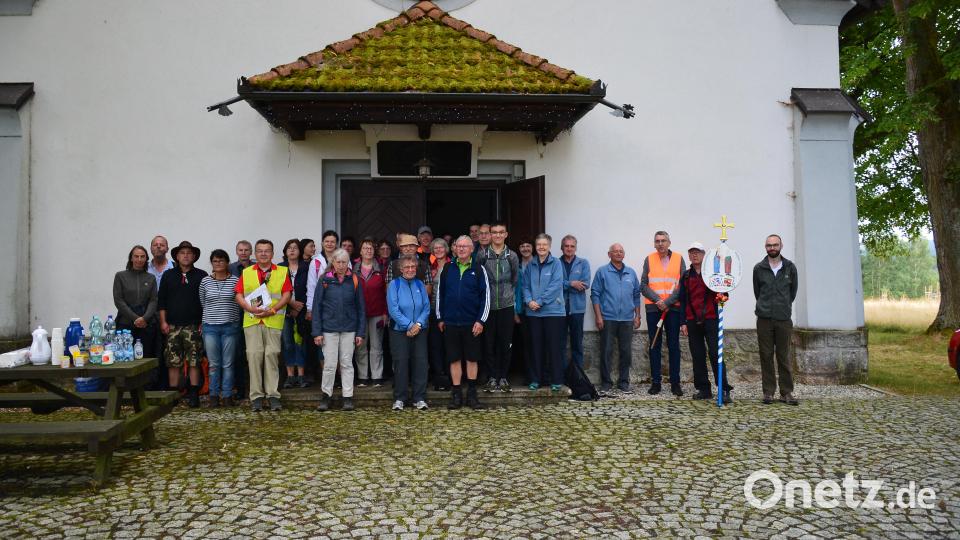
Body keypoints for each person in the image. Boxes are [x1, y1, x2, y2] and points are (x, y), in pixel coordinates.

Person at [234, 239, 292, 412]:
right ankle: (257, 397)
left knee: (271, 356)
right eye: (260, 251)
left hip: (273, 320)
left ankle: (273, 396)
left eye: (267, 251)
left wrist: (273, 310)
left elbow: (287, 295)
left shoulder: (282, 271)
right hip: (252, 320)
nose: (263, 254)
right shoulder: (247, 272)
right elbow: (238, 294)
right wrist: (248, 307)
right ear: (255, 254)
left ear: (272, 254)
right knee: (254, 356)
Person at [436, 236, 490, 409]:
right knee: (454, 359)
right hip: (451, 322)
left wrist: (481, 320)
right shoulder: (447, 268)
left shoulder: (479, 269)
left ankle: (472, 395)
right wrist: (440, 317)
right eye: (458, 246)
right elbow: (440, 295)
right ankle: (456, 394)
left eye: (465, 246)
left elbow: (486, 297)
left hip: (471, 322)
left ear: (471, 249)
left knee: (472, 359)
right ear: (454, 249)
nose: (461, 249)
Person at [313, 249, 366, 412]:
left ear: (348, 263)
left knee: (346, 363)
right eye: (338, 262)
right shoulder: (324, 280)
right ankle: (326, 396)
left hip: (349, 328)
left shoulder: (354, 280)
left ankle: (347, 397)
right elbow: (317, 308)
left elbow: (361, 308)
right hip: (329, 328)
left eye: (344, 262)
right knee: (329, 364)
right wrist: (317, 332)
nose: (341, 265)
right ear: (333, 263)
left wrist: (360, 332)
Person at [679, 242, 732, 403]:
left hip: (711, 319)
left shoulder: (713, 273)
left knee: (716, 353)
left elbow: (725, 291)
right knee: (698, 355)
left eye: (697, 252)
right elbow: (683, 300)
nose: (694, 255)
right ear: (689, 255)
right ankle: (703, 388)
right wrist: (683, 322)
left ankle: (723, 389)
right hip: (692, 321)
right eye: (691, 252)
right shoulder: (686, 276)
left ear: (704, 255)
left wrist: (723, 296)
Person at [157, 241, 207, 407]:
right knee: (173, 361)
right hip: (172, 326)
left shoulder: (202, 275)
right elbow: (161, 301)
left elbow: (206, 302)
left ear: (194, 256)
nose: (186, 255)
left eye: (189, 253)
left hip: (194, 326)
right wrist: (163, 322)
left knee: (194, 360)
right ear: (177, 256)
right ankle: (174, 394)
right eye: (182, 253)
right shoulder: (168, 275)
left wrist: (203, 323)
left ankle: (193, 393)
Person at [754, 234, 799, 405]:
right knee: (765, 355)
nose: (772, 248)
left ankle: (786, 392)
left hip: (783, 319)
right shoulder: (759, 268)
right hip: (764, 319)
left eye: (775, 245)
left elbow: (792, 292)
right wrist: (766, 307)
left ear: (781, 245)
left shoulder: (790, 268)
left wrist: (782, 306)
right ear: (765, 247)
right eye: (769, 245)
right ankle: (768, 392)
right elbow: (757, 292)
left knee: (784, 356)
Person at [641, 231, 687, 396]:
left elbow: (683, 284)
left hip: (673, 309)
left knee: (674, 345)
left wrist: (667, 302)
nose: (660, 243)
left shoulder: (679, 258)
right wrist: (658, 301)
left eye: (663, 241)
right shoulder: (649, 259)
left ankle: (675, 383)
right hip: (654, 309)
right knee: (654, 345)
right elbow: (644, 285)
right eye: (657, 241)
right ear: (654, 243)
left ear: (669, 242)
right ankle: (656, 382)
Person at [476, 221, 519, 392]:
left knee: (505, 343)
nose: (498, 235)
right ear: (490, 235)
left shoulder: (512, 256)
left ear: (506, 234)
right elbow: (478, 279)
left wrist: (507, 294)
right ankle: (492, 377)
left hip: (506, 305)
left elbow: (515, 279)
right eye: (494, 232)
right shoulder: (482, 255)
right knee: (489, 343)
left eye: (501, 232)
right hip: (488, 306)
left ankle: (503, 377)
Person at [522, 233, 566, 392]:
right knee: (535, 348)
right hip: (533, 313)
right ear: (535, 246)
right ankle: (535, 379)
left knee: (554, 347)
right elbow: (525, 286)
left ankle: (556, 380)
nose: (541, 247)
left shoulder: (556, 264)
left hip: (553, 312)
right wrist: (529, 301)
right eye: (539, 244)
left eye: (544, 244)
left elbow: (555, 286)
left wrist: (539, 302)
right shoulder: (530, 265)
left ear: (549, 246)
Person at [387, 254, 431, 410]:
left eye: (413, 266)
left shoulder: (420, 284)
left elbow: (426, 307)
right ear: (401, 269)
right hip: (400, 331)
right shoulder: (394, 284)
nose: (410, 269)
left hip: (419, 330)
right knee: (401, 363)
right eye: (407, 267)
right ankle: (400, 398)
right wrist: (409, 325)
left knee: (420, 363)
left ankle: (419, 398)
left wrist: (418, 324)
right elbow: (393, 309)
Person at [199, 249, 242, 408]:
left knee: (228, 364)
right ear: (211, 263)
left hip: (230, 327)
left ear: (227, 263)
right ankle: (214, 396)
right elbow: (203, 302)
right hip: (210, 327)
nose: (218, 264)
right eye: (215, 261)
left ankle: (227, 396)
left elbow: (239, 302)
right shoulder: (205, 282)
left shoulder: (235, 281)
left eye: (221, 261)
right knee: (213, 364)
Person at [113, 245, 158, 360]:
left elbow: (153, 300)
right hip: (125, 323)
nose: (139, 259)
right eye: (136, 256)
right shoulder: (120, 276)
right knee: (125, 357)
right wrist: (135, 318)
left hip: (146, 324)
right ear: (131, 258)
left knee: (146, 357)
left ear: (146, 259)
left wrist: (144, 318)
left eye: (142, 256)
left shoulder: (151, 278)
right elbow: (118, 300)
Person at [353, 238, 387, 387]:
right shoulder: (353, 270)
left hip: (377, 312)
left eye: (371, 248)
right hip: (359, 314)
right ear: (360, 251)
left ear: (375, 251)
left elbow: (387, 293)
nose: (368, 250)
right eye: (365, 248)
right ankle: (362, 376)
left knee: (376, 346)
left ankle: (377, 377)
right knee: (361, 345)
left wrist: (386, 312)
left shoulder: (381, 270)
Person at [279, 239, 309, 389]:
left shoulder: (306, 267)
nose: (292, 250)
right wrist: (290, 303)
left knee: (301, 342)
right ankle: (290, 376)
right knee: (288, 342)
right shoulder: (279, 268)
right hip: (284, 310)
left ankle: (302, 375)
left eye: (295, 248)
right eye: (289, 248)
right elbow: (276, 290)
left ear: (300, 251)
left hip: (302, 311)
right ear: (285, 251)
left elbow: (311, 288)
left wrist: (299, 307)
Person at [560, 235, 591, 369]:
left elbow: (585, 284)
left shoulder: (583, 263)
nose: (569, 248)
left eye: (572, 246)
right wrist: (572, 283)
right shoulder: (556, 263)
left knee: (577, 343)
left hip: (577, 309)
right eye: (566, 246)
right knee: (560, 343)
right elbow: (553, 284)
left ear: (576, 248)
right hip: (559, 309)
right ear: (562, 248)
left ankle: (577, 376)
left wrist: (564, 285)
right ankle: (561, 375)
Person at [427, 238, 451, 390]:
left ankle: (450, 376)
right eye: (436, 248)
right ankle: (439, 377)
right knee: (435, 345)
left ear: (446, 249)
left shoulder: (453, 265)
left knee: (449, 345)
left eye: (441, 247)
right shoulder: (430, 267)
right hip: (433, 310)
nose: (439, 250)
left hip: (449, 310)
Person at [513, 239, 535, 383]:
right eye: (522, 246)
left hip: (538, 309)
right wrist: (515, 311)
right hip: (522, 310)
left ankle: (539, 375)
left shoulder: (538, 263)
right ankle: (528, 376)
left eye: (528, 245)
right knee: (525, 344)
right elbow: (513, 289)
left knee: (537, 343)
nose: (525, 248)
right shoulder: (516, 265)